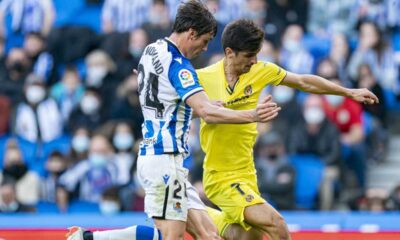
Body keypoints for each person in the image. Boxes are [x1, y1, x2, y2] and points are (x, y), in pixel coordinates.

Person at [67, 2, 279, 240]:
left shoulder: (150, 51)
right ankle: (89, 238)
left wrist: (206, 106)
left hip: (164, 160)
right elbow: (206, 113)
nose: (205, 47)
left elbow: (172, 103)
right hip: (164, 160)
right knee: (171, 237)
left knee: (210, 235)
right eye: (206, 40)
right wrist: (253, 115)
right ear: (191, 33)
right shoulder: (180, 67)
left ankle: (88, 238)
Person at [196, 19, 378, 240]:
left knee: (247, 237)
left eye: (257, 54)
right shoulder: (203, 78)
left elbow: (303, 81)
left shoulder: (261, 70)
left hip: (247, 173)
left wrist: (348, 92)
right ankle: (191, 210)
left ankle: (196, 212)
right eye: (249, 55)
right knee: (277, 225)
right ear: (229, 52)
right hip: (220, 175)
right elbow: (181, 110)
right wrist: (205, 109)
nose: (254, 61)